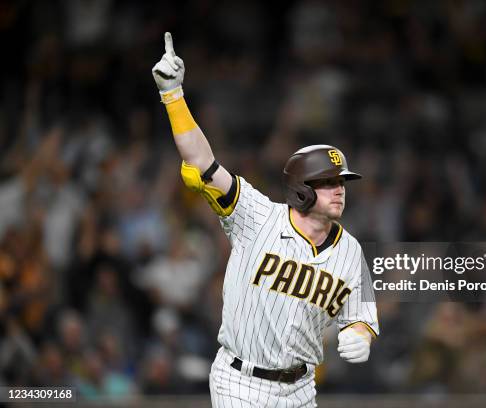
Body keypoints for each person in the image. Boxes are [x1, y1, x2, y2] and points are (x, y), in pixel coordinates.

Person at [152, 32, 379, 407]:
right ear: (302, 189)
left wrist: (360, 334)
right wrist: (173, 96)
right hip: (240, 381)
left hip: (301, 388)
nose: (339, 190)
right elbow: (202, 162)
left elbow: (361, 316)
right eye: (327, 183)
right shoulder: (256, 216)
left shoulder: (350, 251)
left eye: (341, 182)